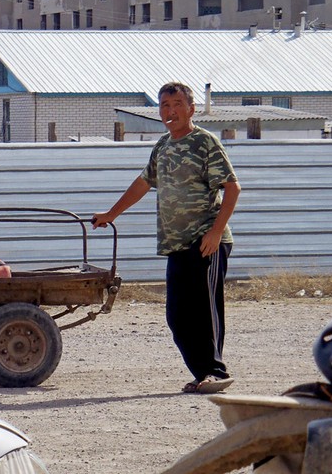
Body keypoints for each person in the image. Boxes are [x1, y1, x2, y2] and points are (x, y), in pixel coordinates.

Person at [92, 82, 241, 394]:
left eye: (176, 104)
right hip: (176, 244)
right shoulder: (163, 145)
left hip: (206, 241)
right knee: (177, 315)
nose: (170, 111)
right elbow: (143, 182)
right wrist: (111, 214)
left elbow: (232, 188)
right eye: (164, 105)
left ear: (191, 108)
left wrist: (215, 233)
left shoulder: (204, 142)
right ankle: (202, 373)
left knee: (205, 310)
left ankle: (215, 372)